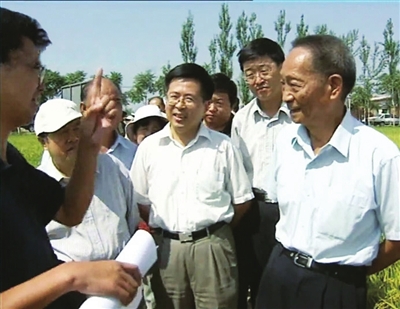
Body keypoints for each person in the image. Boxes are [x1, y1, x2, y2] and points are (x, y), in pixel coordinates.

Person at [0, 8, 140, 308]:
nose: (42, 83)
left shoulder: (11, 161)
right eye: (34, 68)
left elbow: (70, 210)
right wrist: (70, 276)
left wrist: (90, 148)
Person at [256, 34, 400, 309]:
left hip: (336, 288)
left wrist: (347, 274)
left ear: (333, 86)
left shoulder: (379, 155)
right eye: (283, 84)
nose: (285, 95)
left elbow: (398, 238)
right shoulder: (286, 142)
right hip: (279, 273)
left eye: (294, 85)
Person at [130, 63, 254, 309]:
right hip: (167, 250)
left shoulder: (224, 146)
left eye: (189, 98)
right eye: (174, 97)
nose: (179, 105)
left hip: (213, 248)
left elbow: (242, 200)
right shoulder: (149, 148)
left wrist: (213, 232)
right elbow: (140, 201)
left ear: (206, 105)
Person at [35, 98, 140, 262]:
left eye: (77, 129)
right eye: (62, 132)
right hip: (73, 284)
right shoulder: (37, 187)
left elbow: (132, 218)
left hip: (122, 273)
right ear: (44, 142)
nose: (72, 137)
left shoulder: (112, 167)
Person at [231, 37, 291, 308]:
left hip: (294, 210)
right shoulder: (241, 119)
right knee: (258, 285)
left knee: (293, 284)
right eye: (250, 73)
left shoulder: (301, 113)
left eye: (264, 70)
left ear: (282, 68)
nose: (258, 79)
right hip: (256, 215)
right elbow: (238, 172)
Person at [81, 77, 138, 170]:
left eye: (117, 101)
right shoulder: (73, 152)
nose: (111, 107)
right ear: (83, 108)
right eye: (103, 100)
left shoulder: (134, 153)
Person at [204, 72, 236, 137]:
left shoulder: (240, 129)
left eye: (219, 103)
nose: (212, 108)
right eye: (208, 102)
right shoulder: (190, 127)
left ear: (232, 105)